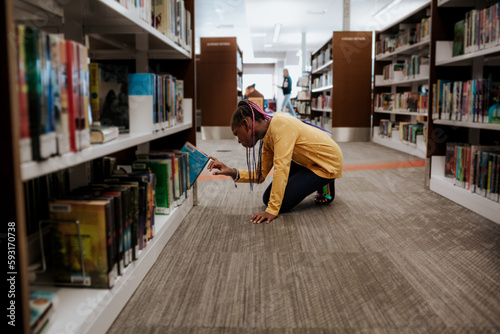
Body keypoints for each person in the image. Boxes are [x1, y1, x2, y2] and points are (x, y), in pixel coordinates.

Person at [207, 100, 343, 224]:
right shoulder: (267, 138)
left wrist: (272, 211)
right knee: (268, 198)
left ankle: (327, 181)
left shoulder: (280, 124)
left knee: (281, 204)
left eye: (237, 134)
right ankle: (317, 180)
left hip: (328, 161)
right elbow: (259, 175)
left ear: (246, 124)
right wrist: (231, 171)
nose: (238, 140)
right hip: (308, 161)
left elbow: (281, 169)